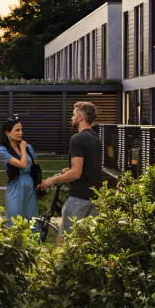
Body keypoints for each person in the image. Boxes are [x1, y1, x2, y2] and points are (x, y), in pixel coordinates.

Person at [43, 100, 112, 241]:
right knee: (87, 241)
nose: (71, 118)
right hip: (95, 197)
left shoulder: (77, 139)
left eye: (74, 115)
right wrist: (69, 170)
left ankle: (59, 257)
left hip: (79, 197)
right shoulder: (96, 138)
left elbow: (76, 173)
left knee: (64, 239)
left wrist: (52, 180)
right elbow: (90, 166)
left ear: (80, 118)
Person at [0, 115, 40, 227]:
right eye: (17, 130)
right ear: (8, 133)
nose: (21, 133)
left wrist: (38, 180)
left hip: (29, 184)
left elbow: (35, 165)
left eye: (21, 129)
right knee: (14, 217)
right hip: (15, 184)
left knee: (32, 217)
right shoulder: (3, 150)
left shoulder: (28, 147)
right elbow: (23, 164)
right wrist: (23, 149)